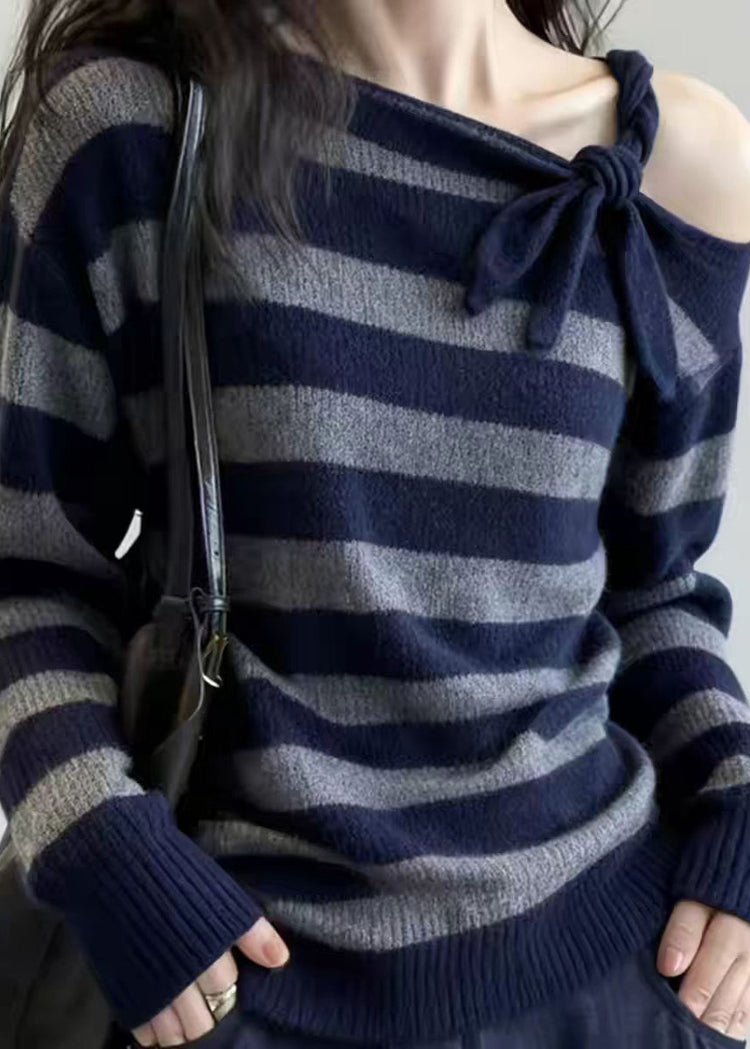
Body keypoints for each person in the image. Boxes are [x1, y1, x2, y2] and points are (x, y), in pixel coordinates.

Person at [1, 1, 750, 1047]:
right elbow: (28, 575)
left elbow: (653, 586)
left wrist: (736, 801)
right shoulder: (132, 130)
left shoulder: (676, 162)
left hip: (613, 973)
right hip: (245, 979)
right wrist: (105, 852)